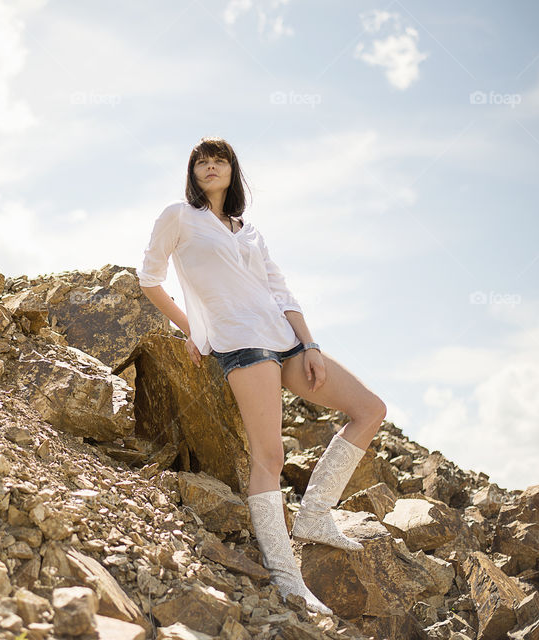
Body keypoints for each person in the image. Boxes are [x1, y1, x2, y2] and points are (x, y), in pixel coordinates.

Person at [136, 136, 387, 616]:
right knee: (270, 455)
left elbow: (280, 288)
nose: (210, 167)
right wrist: (195, 329)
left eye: (219, 160)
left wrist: (310, 344)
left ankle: (314, 515)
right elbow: (149, 278)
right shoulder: (179, 217)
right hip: (241, 342)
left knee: (370, 410)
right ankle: (287, 579)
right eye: (201, 162)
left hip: (284, 337)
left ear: (233, 171)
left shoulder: (248, 230)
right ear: (192, 174)